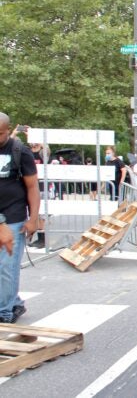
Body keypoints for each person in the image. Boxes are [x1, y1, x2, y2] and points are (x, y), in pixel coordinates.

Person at [0, 112, 40, 323]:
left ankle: (4, 313)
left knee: (7, 265)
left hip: (14, 216)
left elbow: (32, 187)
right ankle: (13, 302)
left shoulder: (20, 151)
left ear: (7, 131)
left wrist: (33, 218)